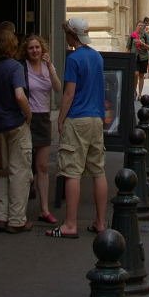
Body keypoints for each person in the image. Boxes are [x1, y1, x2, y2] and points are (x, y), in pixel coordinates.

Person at [47, 17, 107, 238]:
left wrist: (61, 119)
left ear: (72, 35)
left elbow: (69, 93)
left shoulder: (74, 59)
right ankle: (100, 222)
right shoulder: (97, 57)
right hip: (96, 119)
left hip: (78, 119)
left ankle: (70, 224)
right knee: (98, 171)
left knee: (72, 172)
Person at [0, 28, 33, 233]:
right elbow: (20, 95)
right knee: (20, 172)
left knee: (3, 172)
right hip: (15, 124)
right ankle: (17, 219)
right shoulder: (15, 67)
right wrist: (28, 114)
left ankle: (2, 217)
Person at [19, 33, 62, 223]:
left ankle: (44, 209)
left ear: (42, 48)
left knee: (42, 166)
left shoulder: (46, 66)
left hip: (43, 118)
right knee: (25, 166)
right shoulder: (22, 68)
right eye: (31, 48)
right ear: (26, 51)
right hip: (27, 118)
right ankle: (19, 210)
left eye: (37, 47)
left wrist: (51, 66)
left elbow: (58, 88)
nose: (35, 51)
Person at [129, 21, 149, 100]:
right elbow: (128, 47)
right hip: (134, 57)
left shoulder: (145, 35)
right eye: (139, 25)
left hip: (143, 57)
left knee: (141, 75)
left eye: (142, 26)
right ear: (136, 26)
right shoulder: (132, 36)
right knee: (136, 74)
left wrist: (143, 44)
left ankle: (140, 94)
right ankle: (134, 91)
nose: (140, 27)